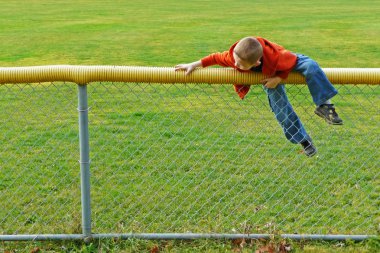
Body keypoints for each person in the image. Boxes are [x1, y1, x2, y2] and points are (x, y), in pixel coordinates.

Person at [175, 36, 343, 157]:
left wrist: (278, 78)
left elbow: (290, 63)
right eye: (235, 61)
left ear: (256, 64)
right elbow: (214, 58)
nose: (235, 65)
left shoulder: (276, 56)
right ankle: (303, 140)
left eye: (240, 65)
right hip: (267, 76)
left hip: (282, 64)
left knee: (312, 66)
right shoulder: (235, 57)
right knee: (281, 110)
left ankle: (324, 105)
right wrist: (193, 64)